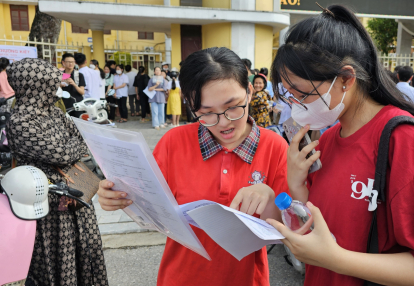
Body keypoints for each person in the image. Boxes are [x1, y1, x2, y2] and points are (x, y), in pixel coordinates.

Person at [266, 4, 414, 286]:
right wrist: (297, 184)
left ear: (346, 78)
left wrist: (335, 259)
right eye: (290, 95)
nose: (295, 105)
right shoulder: (327, 139)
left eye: (302, 93)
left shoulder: (403, 141)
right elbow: (324, 226)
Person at [97, 47, 289, 286]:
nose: (224, 123)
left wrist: (270, 198)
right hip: (180, 277)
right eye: (207, 113)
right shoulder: (173, 143)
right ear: (191, 106)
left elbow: (288, 227)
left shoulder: (274, 146)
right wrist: (116, 197)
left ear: (249, 91)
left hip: (246, 279)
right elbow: (147, 204)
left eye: (233, 107)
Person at [6, 58, 108, 286]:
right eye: (51, 83)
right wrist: (72, 147)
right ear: (35, 85)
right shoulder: (21, 120)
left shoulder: (53, 112)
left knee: (86, 250)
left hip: (77, 192)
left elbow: (82, 138)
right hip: (50, 203)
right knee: (60, 256)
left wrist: (72, 146)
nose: (56, 88)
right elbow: (60, 154)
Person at [60, 53, 86, 118]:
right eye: (68, 62)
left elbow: (82, 92)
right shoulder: (59, 75)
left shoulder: (79, 75)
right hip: (64, 106)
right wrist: (60, 85)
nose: (71, 64)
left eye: (72, 62)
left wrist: (74, 84)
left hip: (77, 106)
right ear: (63, 63)